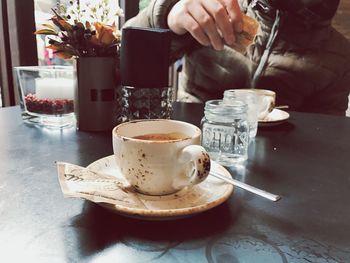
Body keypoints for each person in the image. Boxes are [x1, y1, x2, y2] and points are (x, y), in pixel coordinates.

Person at [124, 0, 350, 116]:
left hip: (275, 176)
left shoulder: (339, 54)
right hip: (184, 147)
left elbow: (321, 145)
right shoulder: (215, 7)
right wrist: (166, 17)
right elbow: (115, 68)